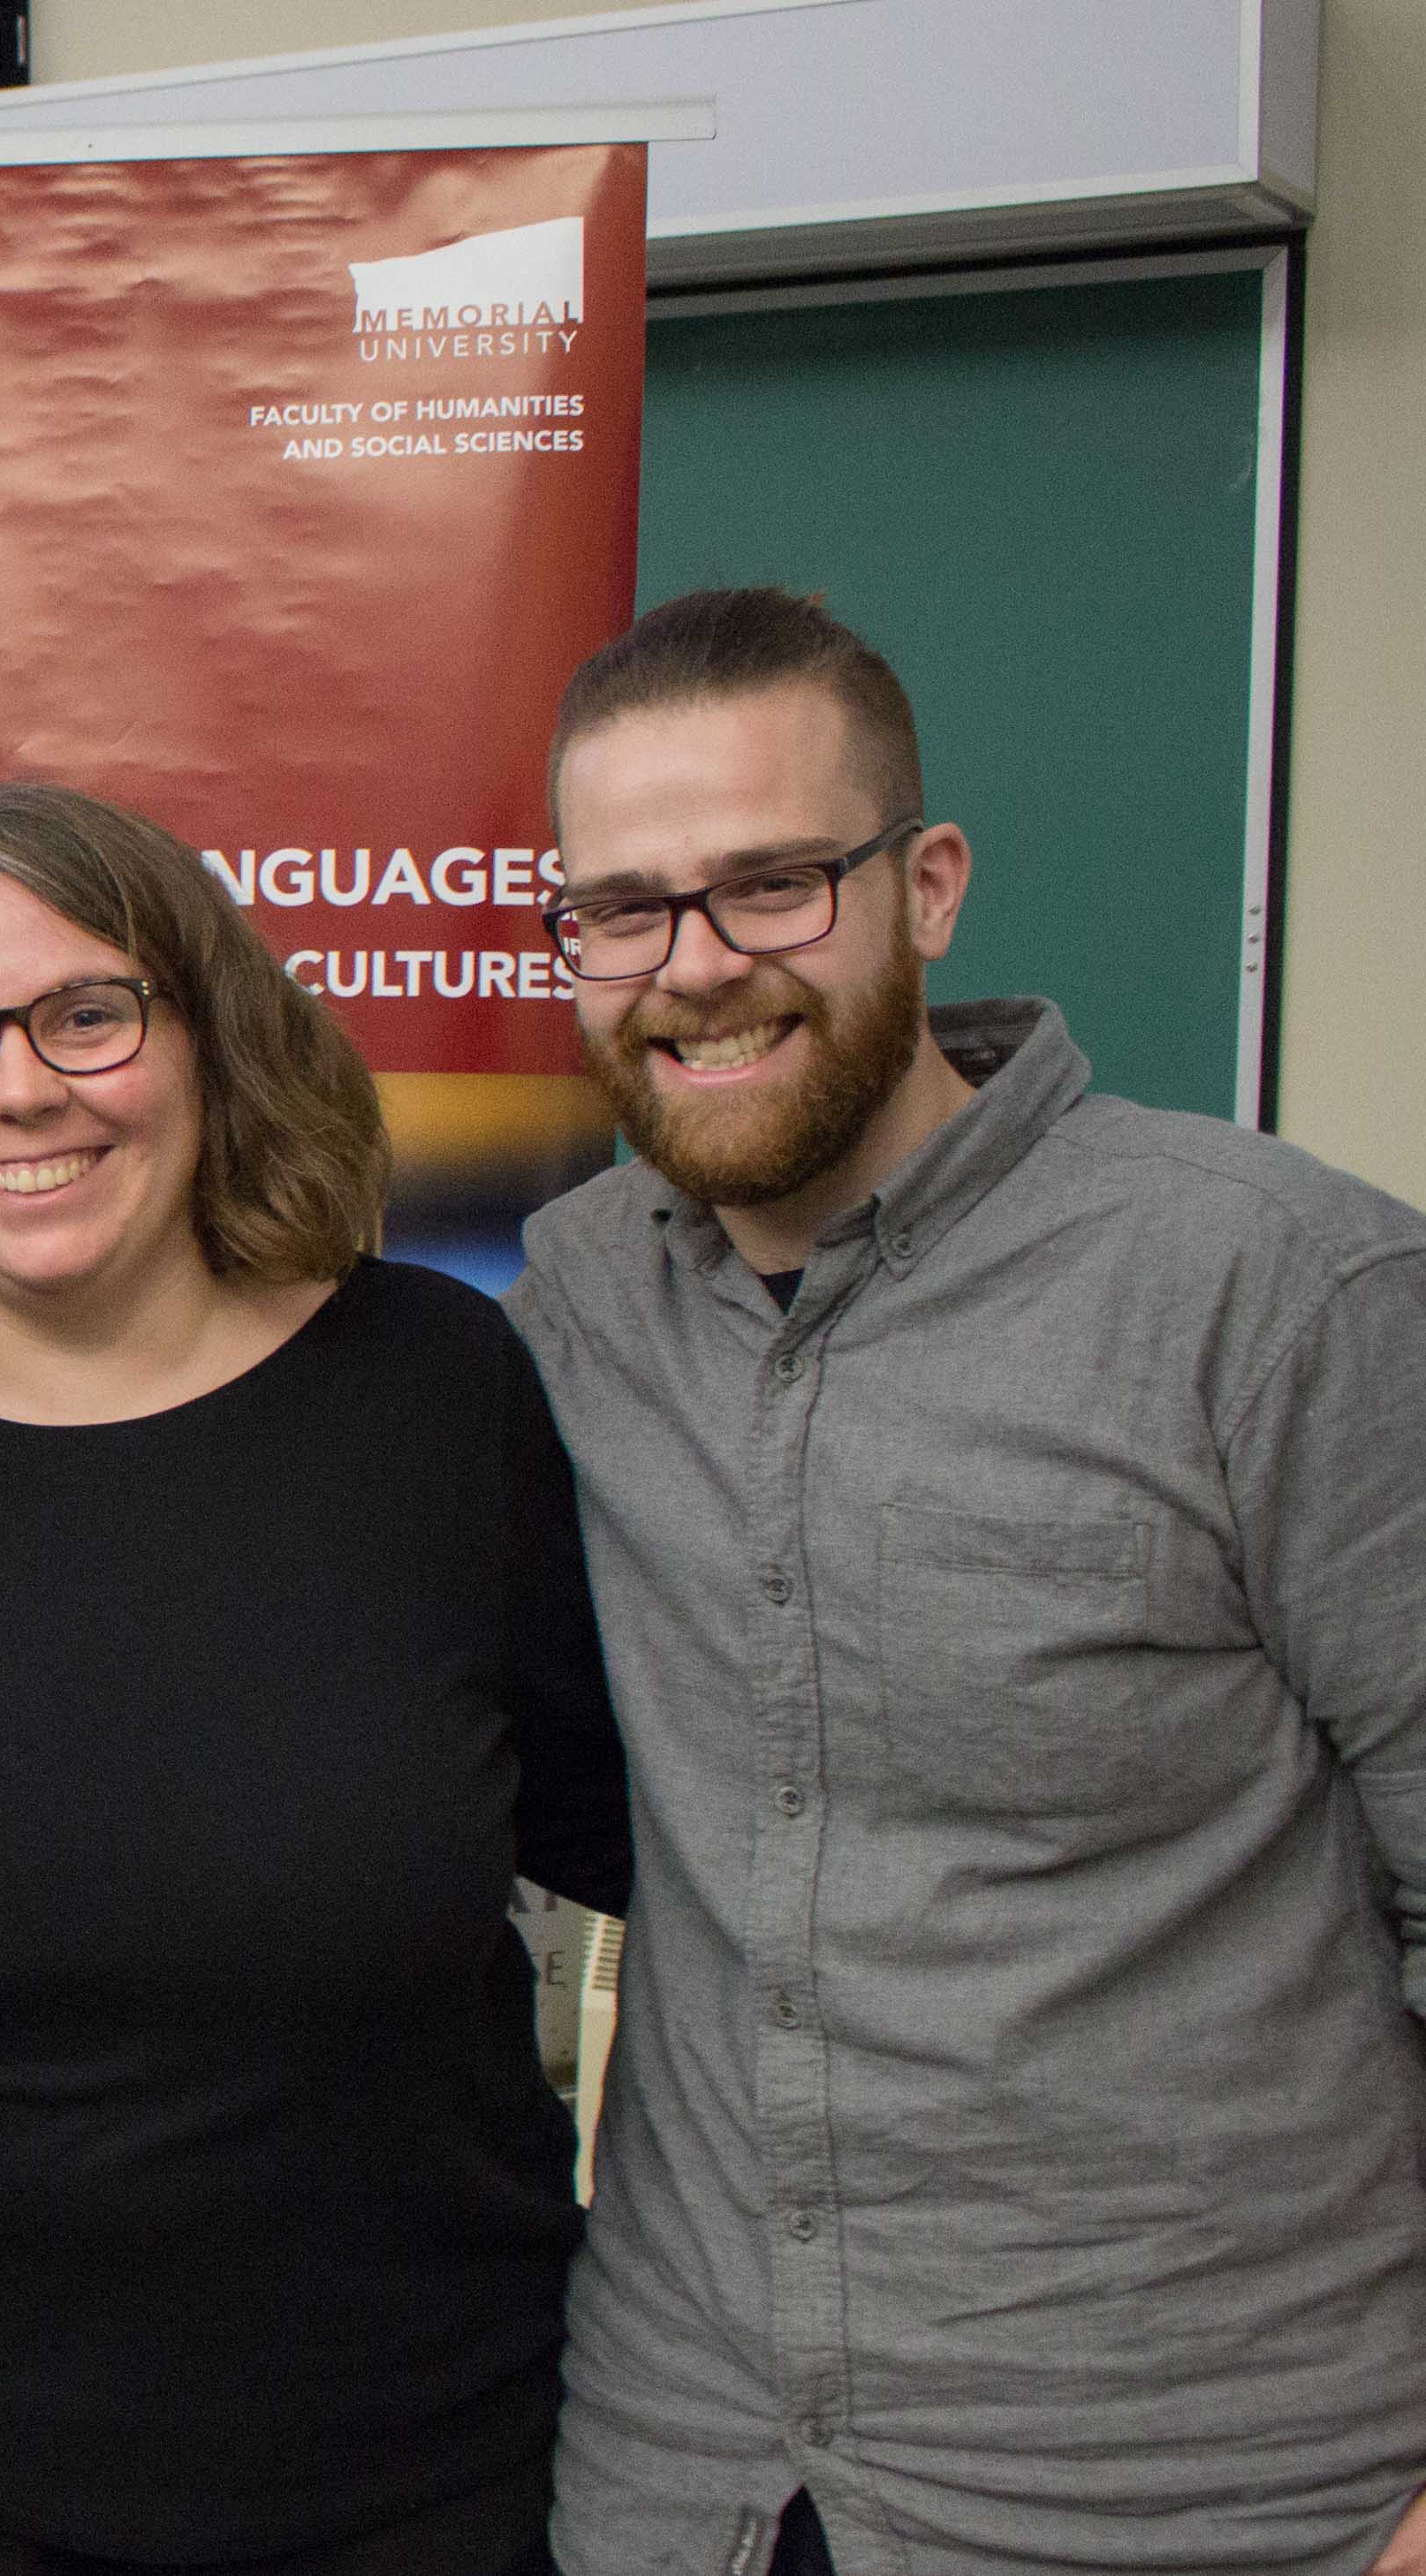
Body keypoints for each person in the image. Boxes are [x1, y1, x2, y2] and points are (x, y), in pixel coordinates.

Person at [515, 590, 1426, 2576]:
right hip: (694, 2481)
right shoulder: (581, 1298)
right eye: (624, 908)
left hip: (1207, 2501)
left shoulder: (1286, 1298)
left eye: (774, 885)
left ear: (927, 887)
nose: (695, 969)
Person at [0, 781, 630, 2576]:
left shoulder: (441, 1398)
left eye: (89, 1011)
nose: (20, 1088)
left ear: (211, 1035)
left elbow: (658, 1847)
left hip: (408, 2478)